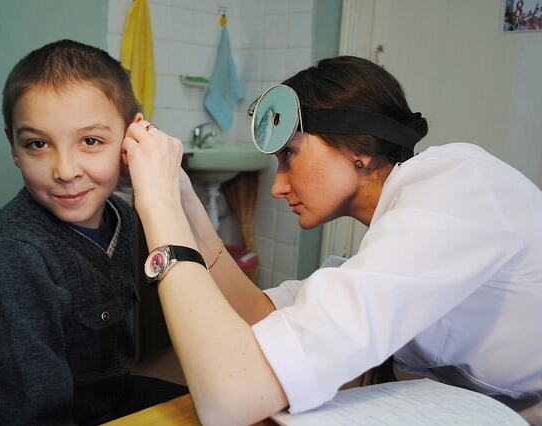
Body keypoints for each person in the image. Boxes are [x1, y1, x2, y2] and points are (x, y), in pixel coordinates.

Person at [121, 56, 542, 425]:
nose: (277, 187)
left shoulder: (456, 187)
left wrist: (157, 205)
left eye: (290, 154)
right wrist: (184, 198)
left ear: (360, 147)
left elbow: (229, 397)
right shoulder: (399, 233)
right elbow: (261, 315)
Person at [0, 40, 187, 425]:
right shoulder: (10, 260)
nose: (66, 170)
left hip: (108, 395)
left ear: (129, 136)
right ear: (14, 147)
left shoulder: (122, 215)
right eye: (38, 144)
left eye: (90, 141)